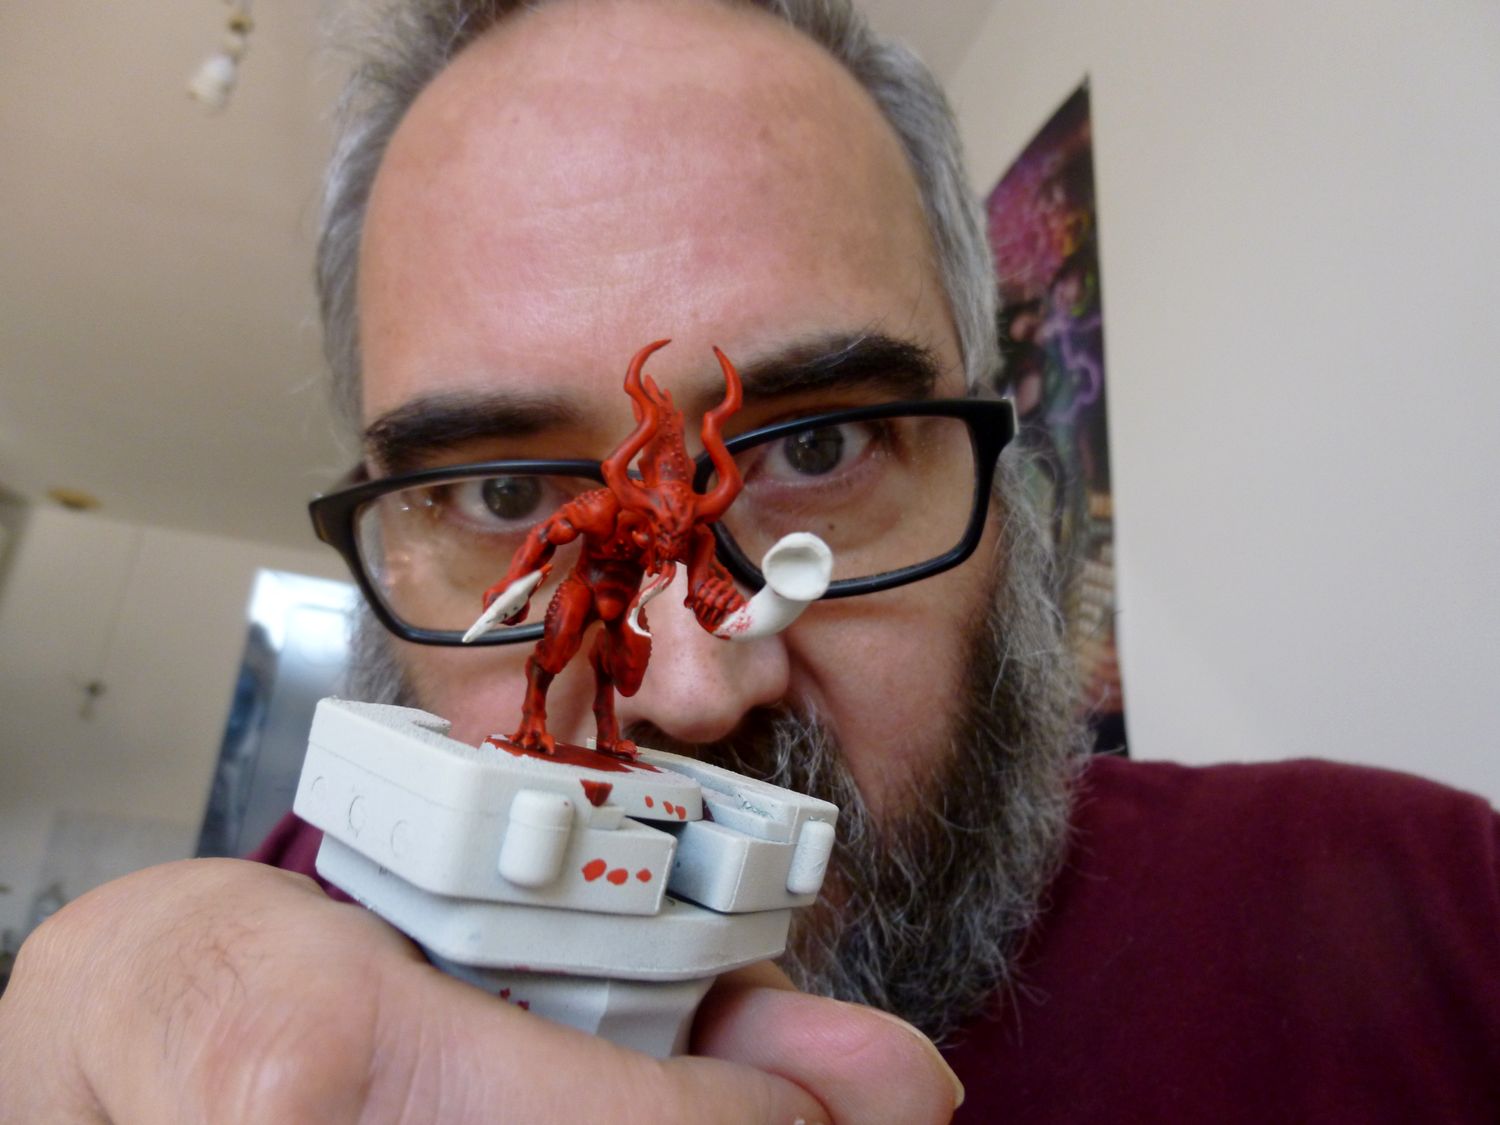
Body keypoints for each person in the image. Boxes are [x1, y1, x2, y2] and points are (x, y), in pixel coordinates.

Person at [1, 1, 1496, 1122]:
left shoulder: (1439, 919)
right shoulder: (278, 1007)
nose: (692, 693)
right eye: (502, 487)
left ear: (1005, 482)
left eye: (823, 447)